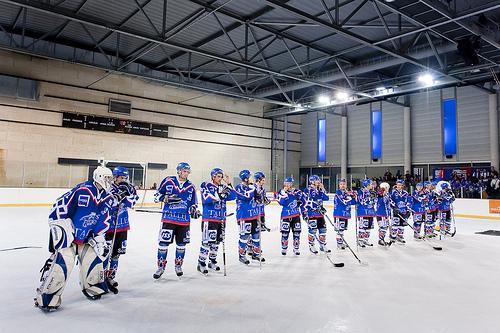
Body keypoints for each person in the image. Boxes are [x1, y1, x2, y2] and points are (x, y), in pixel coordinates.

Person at [34, 166, 115, 311]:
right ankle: (48, 296)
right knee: (62, 266)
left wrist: (98, 235)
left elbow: (104, 219)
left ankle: (93, 286)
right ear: (99, 177)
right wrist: (61, 227)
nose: (110, 181)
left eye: (111, 178)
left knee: (93, 261)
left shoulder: (107, 197)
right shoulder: (82, 190)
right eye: (107, 178)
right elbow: (59, 206)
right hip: (70, 238)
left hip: (86, 239)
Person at [152, 162, 200, 279]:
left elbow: (193, 203)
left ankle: (178, 266)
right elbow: (156, 196)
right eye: (184, 171)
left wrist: (194, 210)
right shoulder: (168, 181)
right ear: (178, 171)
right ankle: (161, 267)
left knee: (181, 244)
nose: (186, 173)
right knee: (163, 244)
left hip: (183, 221)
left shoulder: (191, 186)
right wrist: (165, 198)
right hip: (169, 219)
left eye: (188, 172)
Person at [105, 166, 139, 293]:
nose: (124, 180)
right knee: (105, 254)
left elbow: (133, 203)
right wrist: (120, 195)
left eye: (126, 177)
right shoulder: (108, 188)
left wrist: (127, 193)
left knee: (116, 254)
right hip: (108, 227)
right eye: (122, 177)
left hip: (123, 226)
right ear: (115, 177)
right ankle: (101, 278)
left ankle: (111, 277)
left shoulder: (129, 188)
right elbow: (109, 204)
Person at [197, 168, 236, 275]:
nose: (220, 178)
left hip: (221, 219)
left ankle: (212, 261)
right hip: (209, 219)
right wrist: (219, 195)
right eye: (218, 176)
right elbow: (206, 198)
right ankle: (201, 263)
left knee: (216, 242)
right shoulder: (205, 185)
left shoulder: (223, 187)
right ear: (213, 176)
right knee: (207, 242)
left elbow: (233, 196)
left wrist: (229, 184)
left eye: (221, 177)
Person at [234, 170, 263, 264]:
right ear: (246, 178)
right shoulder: (239, 187)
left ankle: (256, 253)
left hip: (254, 215)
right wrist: (253, 189)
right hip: (243, 216)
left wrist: (259, 197)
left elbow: (258, 197)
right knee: (244, 236)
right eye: (250, 176)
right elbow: (247, 196)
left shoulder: (252, 187)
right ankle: (242, 255)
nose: (252, 178)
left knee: (256, 235)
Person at [277, 177, 306, 255]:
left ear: (292, 183)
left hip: (296, 215)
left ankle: (296, 248)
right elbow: (280, 203)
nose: (288, 185)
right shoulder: (281, 192)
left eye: (290, 183)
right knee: (285, 233)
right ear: (284, 184)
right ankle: (284, 248)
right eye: (287, 183)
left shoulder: (297, 192)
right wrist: (285, 193)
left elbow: (303, 202)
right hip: (285, 216)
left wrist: (304, 212)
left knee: (297, 232)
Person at [303, 175, 330, 254]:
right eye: (317, 180)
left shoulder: (319, 190)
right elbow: (306, 202)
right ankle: (311, 245)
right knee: (313, 230)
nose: (319, 182)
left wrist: (323, 189)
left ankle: (322, 245)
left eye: (318, 180)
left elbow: (326, 198)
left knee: (323, 229)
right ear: (312, 181)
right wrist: (315, 207)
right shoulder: (307, 190)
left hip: (320, 214)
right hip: (311, 214)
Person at [247, 172, 271, 256]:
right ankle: (250, 247)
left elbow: (263, 199)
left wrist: (266, 201)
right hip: (253, 213)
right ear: (258, 180)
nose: (264, 182)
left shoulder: (262, 189)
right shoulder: (252, 188)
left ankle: (255, 247)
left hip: (261, 212)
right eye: (263, 180)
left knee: (258, 231)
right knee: (252, 231)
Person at [333, 179, 356, 249]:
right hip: (339, 214)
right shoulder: (338, 193)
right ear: (339, 185)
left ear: (346, 185)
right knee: (339, 230)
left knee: (342, 229)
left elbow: (353, 202)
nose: (343, 185)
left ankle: (341, 242)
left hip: (345, 214)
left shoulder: (347, 193)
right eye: (341, 184)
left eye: (344, 184)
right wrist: (351, 196)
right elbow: (344, 201)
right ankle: (339, 243)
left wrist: (354, 197)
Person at [389, 179, 411, 244]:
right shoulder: (393, 192)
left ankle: (400, 236)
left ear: (402, 185)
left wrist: (407, 209)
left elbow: (408, 201)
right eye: (398, 185)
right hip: (396, 211)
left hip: (403, 211)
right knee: (395, 224)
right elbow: (390, 200)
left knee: (402, 225)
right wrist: (394, 207)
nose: (398, 186)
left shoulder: (405, 193)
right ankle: (393, 236)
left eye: (400, 185)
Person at [355, 179, 376, 247]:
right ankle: (360, 240)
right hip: (363, 212)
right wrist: (370, 199)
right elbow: (361, 201)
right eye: (370, 184)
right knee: (363, 226)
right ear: (367, 185)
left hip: (370, 212)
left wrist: (374, 198)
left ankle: (365, 240)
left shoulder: (371, 192)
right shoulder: (361, 191)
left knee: (369, 227)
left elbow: (374, 201)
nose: (372, 185)